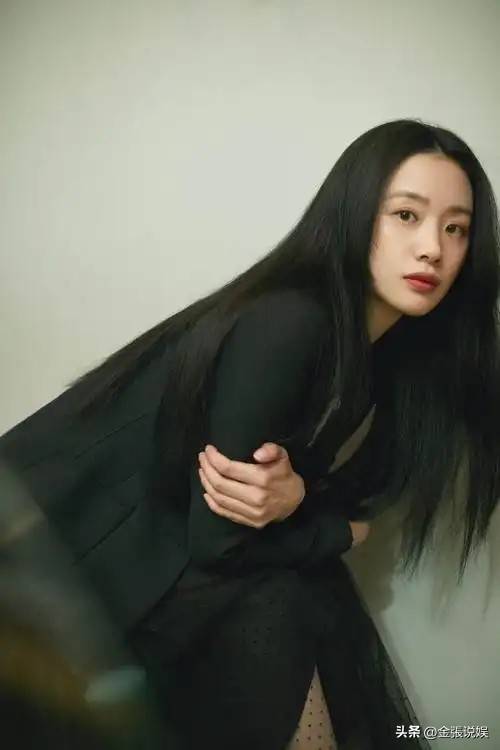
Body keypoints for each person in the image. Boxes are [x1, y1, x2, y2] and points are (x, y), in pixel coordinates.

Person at [1, 118, 499, 749]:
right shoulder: (292, 322)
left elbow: (274, 512)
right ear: (354, 214)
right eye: (406, 215)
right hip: (44, 562)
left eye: (456, 228)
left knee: (291, 597)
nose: (433, 248)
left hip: (148, 564)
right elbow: (221, 543)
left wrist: (299, 500)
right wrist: (339, 532)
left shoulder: (380, 360)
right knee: (281, 600)